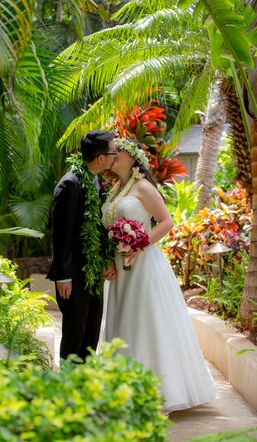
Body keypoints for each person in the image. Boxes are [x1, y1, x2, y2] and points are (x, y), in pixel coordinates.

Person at [102, 138, 218, 412]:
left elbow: (166, 221)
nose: (113, 156)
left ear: (132, 158)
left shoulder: (143, 187)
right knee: (124, 321)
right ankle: (124, 389)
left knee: (145, 323)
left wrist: (140, 244)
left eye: (117, 153)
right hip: (121, 266)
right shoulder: (116, 188)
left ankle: (157, 391)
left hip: (145, 266)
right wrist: (111, 256)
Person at [47, 130, 117, 360]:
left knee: (91, 333)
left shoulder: (96, 181)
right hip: (74, 276)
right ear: (100, 158)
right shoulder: (70, 185)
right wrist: (63, 276)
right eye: (113, 152)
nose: (115, 156)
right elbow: (62, 234)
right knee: (75, 334)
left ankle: (84, 384)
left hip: (92, 271)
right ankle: (68, 386)